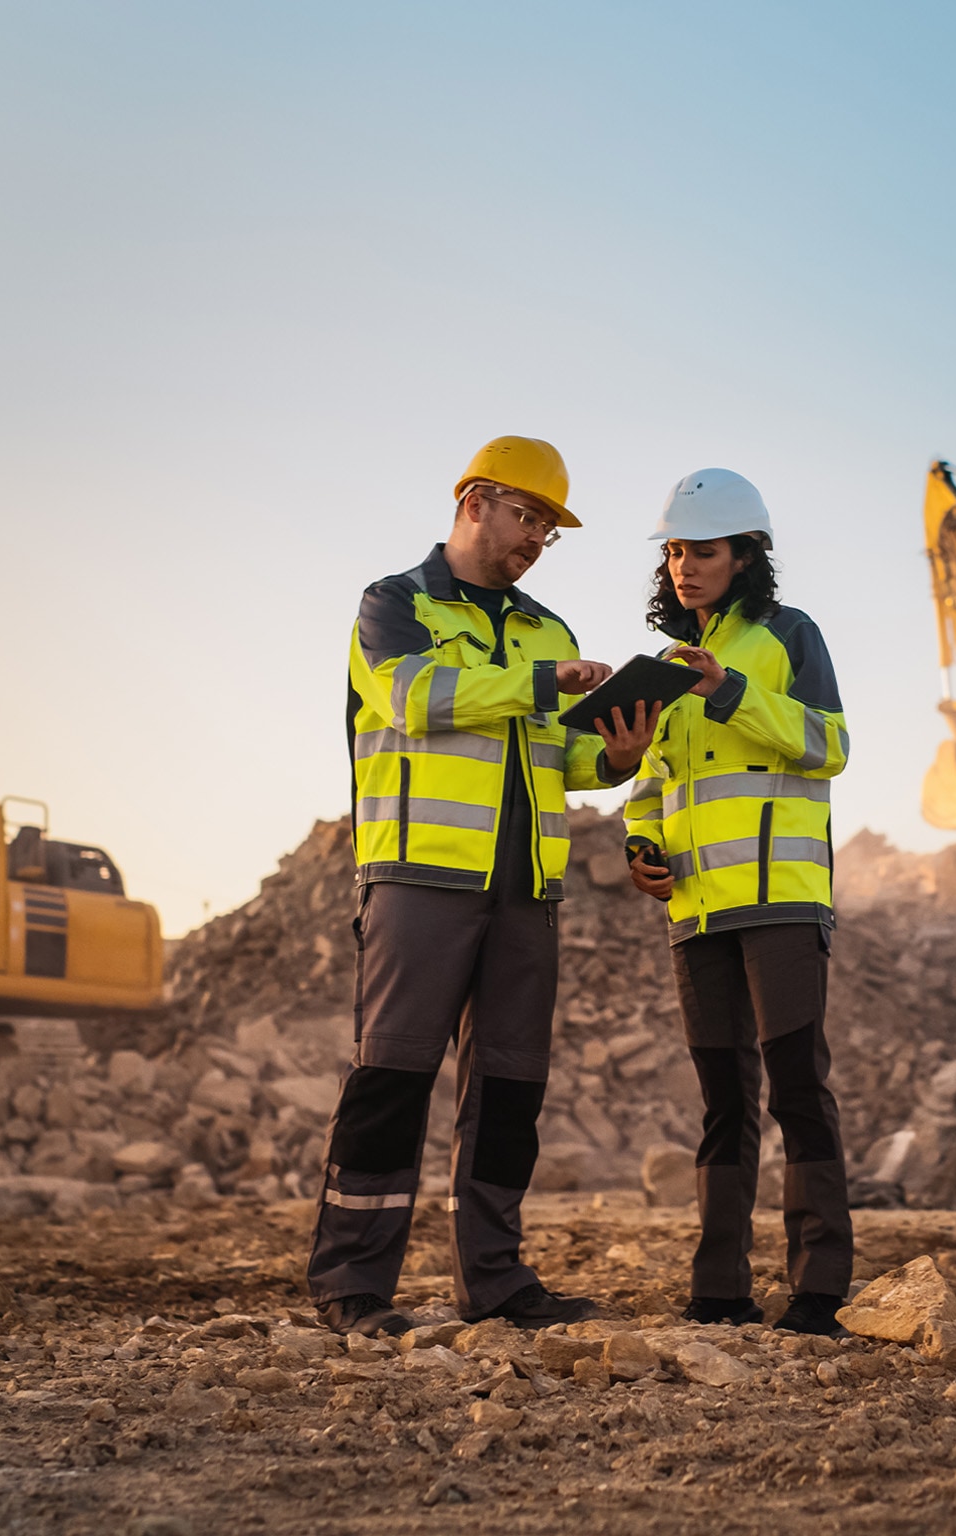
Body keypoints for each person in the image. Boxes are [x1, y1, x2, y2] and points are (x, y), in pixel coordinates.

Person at [309, 435, 657, 1337]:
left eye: (549, 526)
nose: (537, 537)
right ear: (475, 504)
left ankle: (495, 1282)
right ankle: (352, 1287)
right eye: (528, 517)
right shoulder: (396, 604)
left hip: (526, 889)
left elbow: (569, 753)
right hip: (419, 878)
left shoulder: (551, 628)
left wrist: (614, 757)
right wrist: (542, 684)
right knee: (392, 1075)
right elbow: (414, 697)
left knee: (509, 1090)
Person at [622, 468, 854, 1336]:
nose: (685, 566)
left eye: (703, 550)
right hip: (697, 914)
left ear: (745, 556)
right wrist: (640, 843)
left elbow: (829, 745)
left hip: (783, 904)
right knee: (724, 1103)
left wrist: (730, 691)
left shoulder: (789, 637)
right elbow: (651, 784)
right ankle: (718, 1289)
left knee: (797, 1089)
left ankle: (819, 1288)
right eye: (675, 551)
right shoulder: (664, 667)